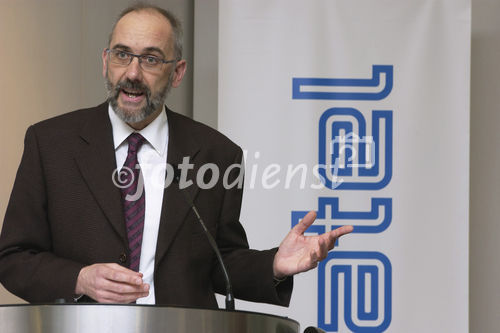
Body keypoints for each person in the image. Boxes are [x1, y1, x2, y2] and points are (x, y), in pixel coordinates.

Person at [0, 3, 352, 307]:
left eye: (151, 59)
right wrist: (80, 278)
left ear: (177, 72)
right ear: (105, 62)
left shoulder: (217, 154)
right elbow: (13, 258)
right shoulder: (50, 143)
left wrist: (274, 264)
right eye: (122, 54)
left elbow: (220, 262)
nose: (133, 73)